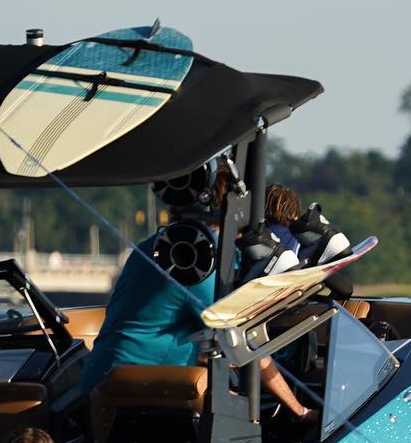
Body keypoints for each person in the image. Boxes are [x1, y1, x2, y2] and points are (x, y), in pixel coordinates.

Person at [79, 175, 317, 424]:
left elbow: (164, 323)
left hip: (102, 378)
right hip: (139, 388)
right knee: (245, 418)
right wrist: (300, 411)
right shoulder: (199, 260)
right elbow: (239, 340)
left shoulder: (155, 244)